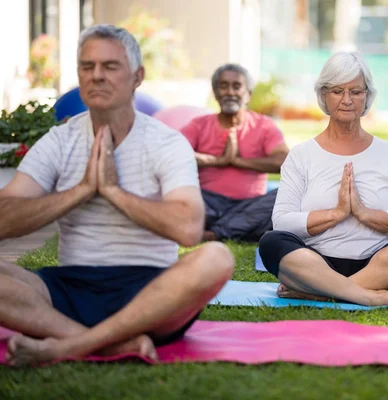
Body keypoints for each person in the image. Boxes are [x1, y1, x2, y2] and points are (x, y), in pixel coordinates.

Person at [0, 24, 234, 366]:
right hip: (69, 289)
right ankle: (108, 344)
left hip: (151, 294)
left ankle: (67, 346)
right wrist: (80, 192)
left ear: (137, 76)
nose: (97, 76)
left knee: (217, 258)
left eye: (110, 67)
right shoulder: (59, 140)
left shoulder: (166, 143)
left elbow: (188, 228)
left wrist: (113, 191)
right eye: (87, 66)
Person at [258, 52, 388, 307]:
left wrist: (364, 213)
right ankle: (371, 296)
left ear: (367, 96)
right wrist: (337, 213)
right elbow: (282, 221)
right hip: (316, 261)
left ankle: (321, 293)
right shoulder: (301, 155)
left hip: (378, 261)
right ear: (324, 95)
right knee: (271, 242)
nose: (347, 100)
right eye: (337, 91)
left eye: (356, 92)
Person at [181, 64, 289, 242]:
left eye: (237, 86)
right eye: (223, 86)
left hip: (251, 205)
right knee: (178, 192)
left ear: (248, 94)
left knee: (286, 195)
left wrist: (238, 161)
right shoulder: (198, 125)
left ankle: (215, 232)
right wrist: (217, 161)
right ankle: (240, 228)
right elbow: (174, 155)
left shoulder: (264, 125)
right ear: (215, 92)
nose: (230, 92)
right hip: (208, 203)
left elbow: (284, 161)